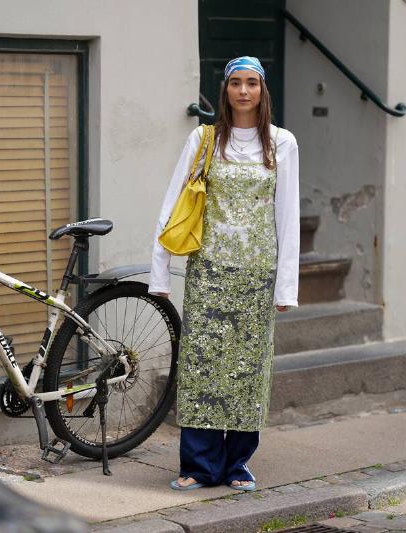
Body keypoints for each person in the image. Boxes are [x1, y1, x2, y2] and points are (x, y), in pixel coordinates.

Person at [148, 56, 300, 492]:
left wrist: (286, 284)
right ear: (226, 90)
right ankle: (198, 465)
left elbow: (288, 216)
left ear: (263, 90)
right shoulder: (204, 139)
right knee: (203, 367)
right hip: (208, 272)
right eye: (236, 83)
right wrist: (160, 274)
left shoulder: (282, 143)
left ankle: (237, 464)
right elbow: (172, 205)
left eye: (252, 83)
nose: (244, 91)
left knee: (248, 370)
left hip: (256, 276)